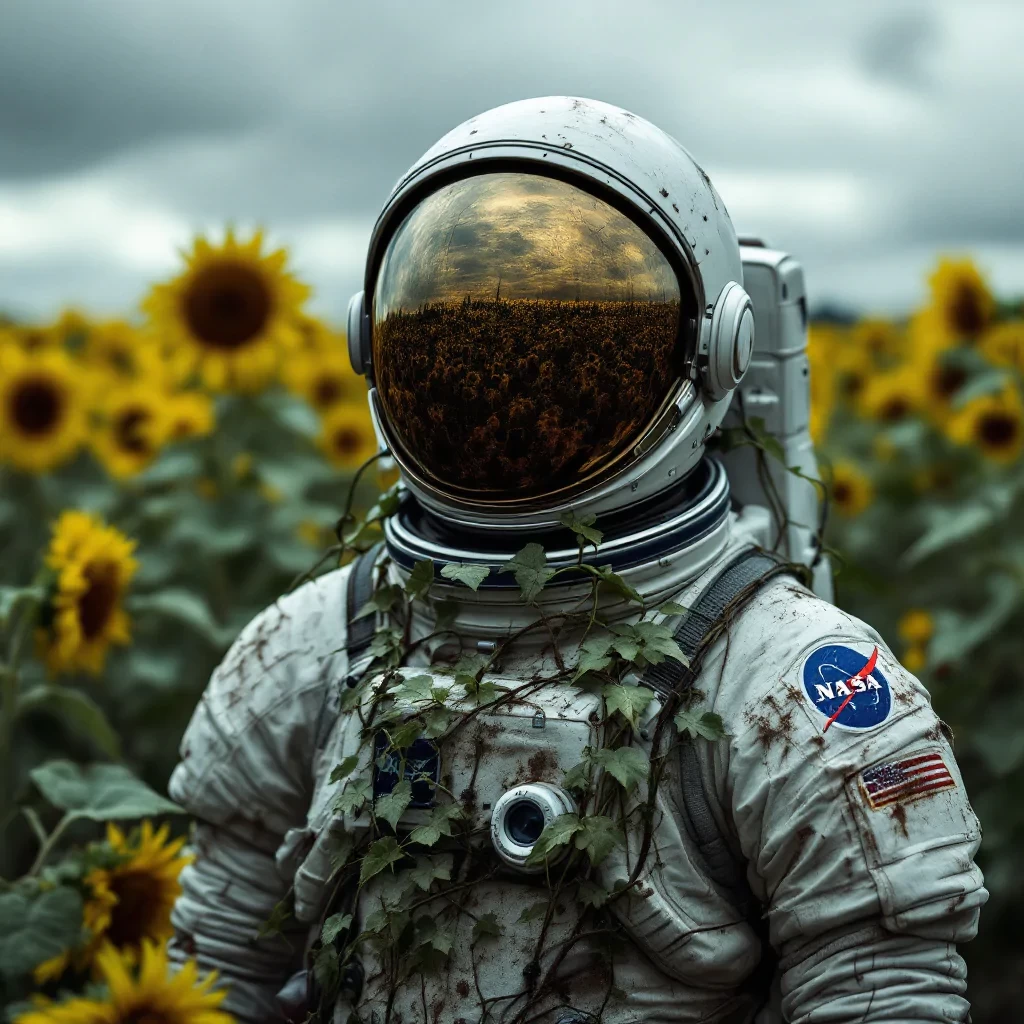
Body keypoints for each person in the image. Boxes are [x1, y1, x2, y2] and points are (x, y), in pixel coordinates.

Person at [168, 97, 986, 1024]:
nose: (512, 406)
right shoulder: (309, 649)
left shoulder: (786, 687)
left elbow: (877, 994)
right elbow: (215, 976)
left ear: (714, 352)